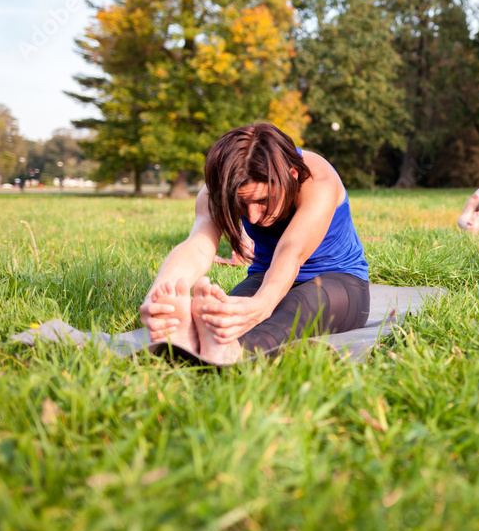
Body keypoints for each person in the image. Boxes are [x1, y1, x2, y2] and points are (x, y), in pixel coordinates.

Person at [139, 123, 370, 365]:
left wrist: (260, 306)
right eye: (242, 204)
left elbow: (291, 252)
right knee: (225, 313)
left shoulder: (317, 180)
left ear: (291, 177)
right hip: (265, 274)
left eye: (264, 200)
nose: (253, 217)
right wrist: (160, 294)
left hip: (339, 281)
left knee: (296, 306)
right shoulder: (223, 185)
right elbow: (198, 245)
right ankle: (190, 338)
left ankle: (233, 352)